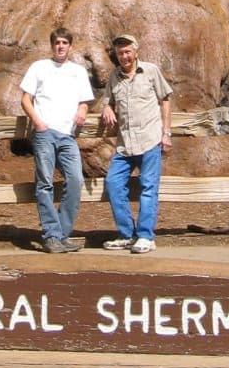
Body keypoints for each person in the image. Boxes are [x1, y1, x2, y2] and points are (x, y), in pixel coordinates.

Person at [20, 27, 94, 253]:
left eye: (64, 42)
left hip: (68, 135)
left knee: (75, 181)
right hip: (45, 133)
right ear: (52, 46)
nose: (60, 46)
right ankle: (52, 235)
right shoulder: (39, 67)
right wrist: (39, 124)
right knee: (45, 184)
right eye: (57, 43)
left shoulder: (78, 71)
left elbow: (84, 100)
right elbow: (26, 99)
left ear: (70, 47)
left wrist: (82, 110)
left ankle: (61, 234)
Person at [100, 34, 173, 254]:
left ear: (136, 51)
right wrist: (106, 106)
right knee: (113, 183)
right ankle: (126, 234)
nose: (124, 56)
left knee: (148, 188)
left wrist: (166, 132)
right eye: (120, 53)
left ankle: (145, 236)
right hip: (124, 145)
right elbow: (107, 98)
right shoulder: (114, 76)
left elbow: (166, 99)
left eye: (127, 52)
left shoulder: (150, 71)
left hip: (150, 140)